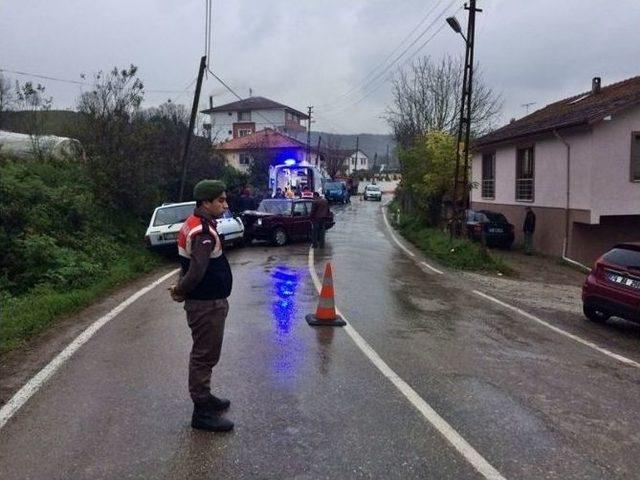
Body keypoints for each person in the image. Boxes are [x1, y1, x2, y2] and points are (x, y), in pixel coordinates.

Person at [169, 180, 234, 432]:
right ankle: (201, 412)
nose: (225, 204)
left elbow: (186, 266)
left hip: (205, 302)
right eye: (220, 200)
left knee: (205, 354)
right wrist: (180, 290)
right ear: (205, 203)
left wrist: (181, 287)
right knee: (204, 356)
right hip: (207, 305)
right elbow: (196, 271)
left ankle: (205, 398)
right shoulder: (203, 233)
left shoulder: (194, 223)